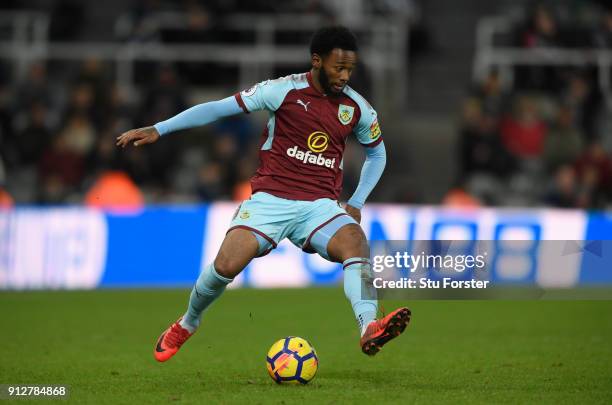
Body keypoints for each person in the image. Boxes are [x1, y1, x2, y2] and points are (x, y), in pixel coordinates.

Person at [116, 26, 410, 361]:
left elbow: (377, 154)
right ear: (316, 61)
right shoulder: (281, 90)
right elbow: (216, 108)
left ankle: (369, 326)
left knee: (356, 242)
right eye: (337, 68)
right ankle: (188, 322)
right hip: (270, 199)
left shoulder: (357, 108)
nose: (344, 76)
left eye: (349, 70)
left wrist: (356, 202)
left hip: (320, 205)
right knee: (226, 265)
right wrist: (160, 128)